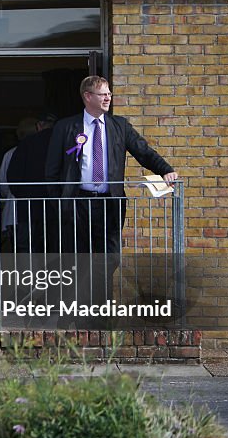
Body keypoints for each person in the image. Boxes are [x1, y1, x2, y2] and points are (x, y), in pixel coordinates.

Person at [45, 76, 178, 307]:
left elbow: (144, 152)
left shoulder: (120, 126)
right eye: (102, 94)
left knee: (110, 257)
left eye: (109, 93)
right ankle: (75, 312)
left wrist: (166, 170)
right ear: (87, 97)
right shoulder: (66, 127)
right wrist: (60, 202)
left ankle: (98, 308)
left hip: (109, 203)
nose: (108, 97)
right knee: (77, 259)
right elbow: (52, 170)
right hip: (78, 203)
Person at [6, 111, 57, 253]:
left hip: (28, 208)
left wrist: (22, 196)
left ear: (39, 126)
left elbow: (13, 177)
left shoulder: (26, 144)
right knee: (55, 251)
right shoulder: (63, 143)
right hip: (56, 209)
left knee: (27, 251)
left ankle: (29, 276)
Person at [0, 116, 39, 249]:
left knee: (21, 253)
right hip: (39, 212)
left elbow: (2, 184)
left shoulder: (11, 154)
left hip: (14, 213)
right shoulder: (46, 152)